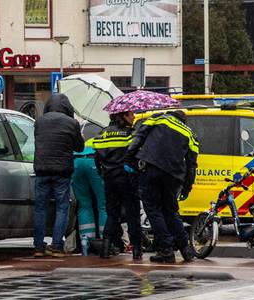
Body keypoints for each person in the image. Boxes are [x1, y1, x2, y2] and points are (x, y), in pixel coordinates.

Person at [127, 108, 199, 263]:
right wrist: (187, 187)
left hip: (151, 167)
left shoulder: (157, 118)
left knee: (153, 210)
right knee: (171, 211)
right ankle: (186, 250)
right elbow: (192, 166)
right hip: (174, 176)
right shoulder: (191, 134)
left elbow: (138, 137)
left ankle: (166, 250)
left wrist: (129, 158)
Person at [87, 111, 144, 259]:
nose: (134, 117)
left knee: (112, 214)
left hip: (109, 180)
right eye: (131, 114)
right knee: (133, 215)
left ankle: (105, 249)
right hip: (128, 180)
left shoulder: (102, 134)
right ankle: (137, 251)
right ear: (123, 116)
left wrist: (103, 174)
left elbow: (97, 159)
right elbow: (136, 155)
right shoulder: (130, 133)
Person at [32, 94, 83, 257]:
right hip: (62, 172)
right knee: (62, 207)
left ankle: (39, 247)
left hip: (41, 170)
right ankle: (56, 245)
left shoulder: (39, 122)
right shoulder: (72, 123)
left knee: (40, 208)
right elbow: (79, 148)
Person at [71, 141, 107, 256]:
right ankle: (105, 240)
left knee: (84, 204)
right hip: (93, 162)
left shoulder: (86, 134)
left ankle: (85, 240)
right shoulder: (103, 134)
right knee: (103, 205)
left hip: (76, 161)